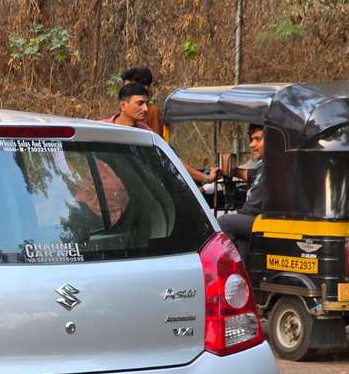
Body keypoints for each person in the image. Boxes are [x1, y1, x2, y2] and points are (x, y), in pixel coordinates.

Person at [101, 84, 219, 187]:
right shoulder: (101, 129)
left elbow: (169, 159)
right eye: (140, 103)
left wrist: (206, 178)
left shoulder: (145, 133)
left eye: (146, 103)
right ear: (123, 106)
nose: (145, 108)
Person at [217, 125, 265, 257]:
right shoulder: (264, 165)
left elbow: (253, 209)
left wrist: (233, 212)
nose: (251, 144)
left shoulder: (272, 167)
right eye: (251, 139)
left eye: (258, 139)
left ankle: (236, 270)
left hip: (265, 221)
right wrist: (232, 171)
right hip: (259, 219)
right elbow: (251, 175)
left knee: (223, 222)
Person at [121, 66, 164, 137]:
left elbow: (154, 141)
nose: (126, 92)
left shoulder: (152, 112)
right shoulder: (124, 109)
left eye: (130, 88)